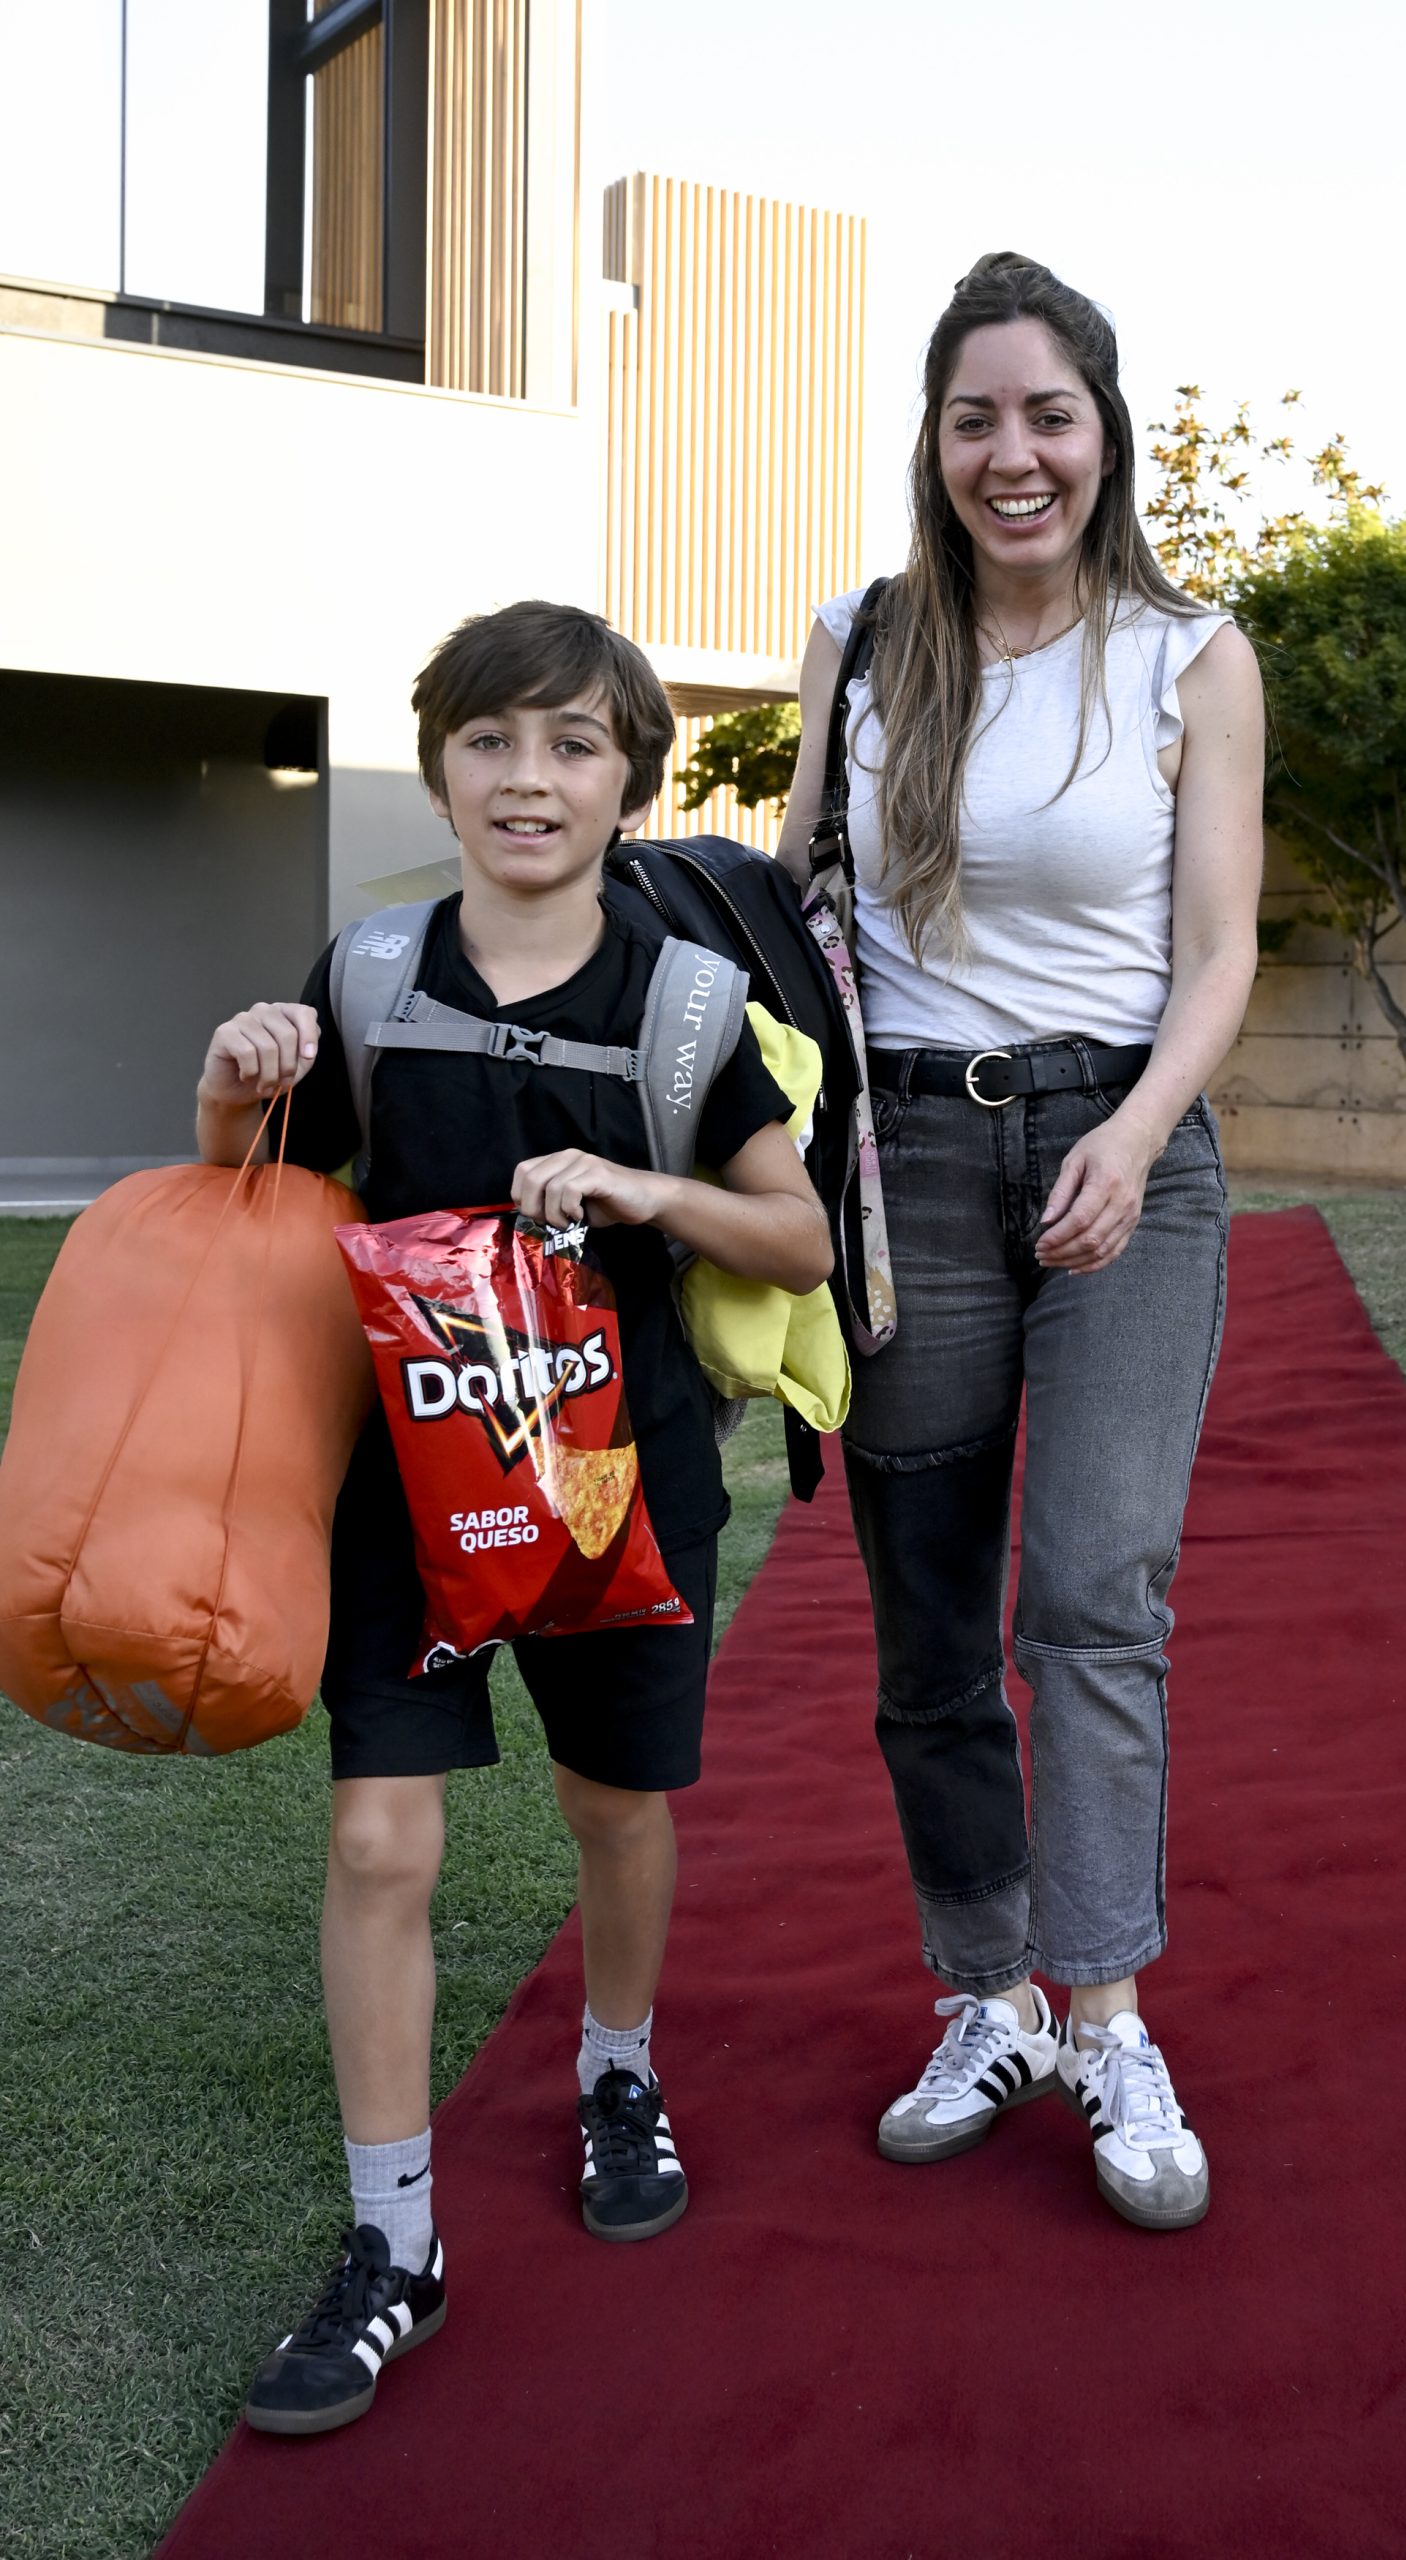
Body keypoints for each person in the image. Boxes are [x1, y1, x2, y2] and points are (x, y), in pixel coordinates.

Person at [196, 601, 832, 2434]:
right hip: (405, 1490)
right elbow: (257, 1184)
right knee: (378, 1842)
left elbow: (797, 1238)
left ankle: (617, 2066)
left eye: (571, 744)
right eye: (490, 741)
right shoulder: (370, 971)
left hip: (619, 1484)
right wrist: (234, 1087)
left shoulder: (687, 1000)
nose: (528, 778)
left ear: (629, 778)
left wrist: (647, 1190)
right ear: (440, 771)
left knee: (612, 1810)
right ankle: (393, 2238)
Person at [777, 253, 1263, 2231]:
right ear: (932, 439)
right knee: (928, 1619)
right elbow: (798, 914)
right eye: (974, 416)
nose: (1013, 454)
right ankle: (984, 1994)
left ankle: (1108, 2012)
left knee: (1090, 1594)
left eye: (1047, 413)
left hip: (1121, 1151)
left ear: (1102, 430)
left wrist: (1134, 1137)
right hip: (902, 1165)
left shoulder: (1187, 655)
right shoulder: (859, 642)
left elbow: (1219, 951)